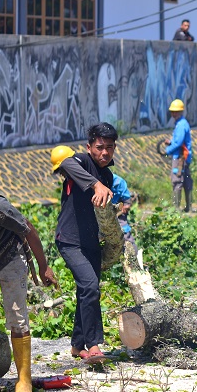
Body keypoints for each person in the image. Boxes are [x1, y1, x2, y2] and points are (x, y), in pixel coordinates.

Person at [54, 123, 118, 363]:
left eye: (110, 148)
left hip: (92, 243)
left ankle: (77, 344)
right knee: (91, 286)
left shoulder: (108, 175)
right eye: (100, 147)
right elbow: (65, 163)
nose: (105, 153)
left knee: (86, 291)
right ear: (89, 147)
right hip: (70, 240)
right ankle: (93, 345)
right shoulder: (80, 161)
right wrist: (95, 184)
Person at [0, 194, 58, 392]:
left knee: (17, 316)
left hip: (10, 256)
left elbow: (29, 229)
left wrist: (43, 267)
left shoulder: (0, 207)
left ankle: (24, 379)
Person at [164, 99, 193, 212]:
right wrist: (170, 142)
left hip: (180, 157)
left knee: (177, 181)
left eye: (176, 111)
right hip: (184, 156)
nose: (173, 114)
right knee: (186, 180)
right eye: (172, 111)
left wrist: (168, 150)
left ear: (181, 111)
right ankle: (188, 207)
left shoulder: (181, 125)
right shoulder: (182, 123)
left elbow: (179, 142)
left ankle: (176, 209)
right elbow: (178, 141)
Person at [111, 173, 137, 250]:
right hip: (99, 211)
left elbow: (127, 200)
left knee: (125, 233)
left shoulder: (118, 181)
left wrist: (126, 206)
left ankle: (133, 255)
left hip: (118, 212)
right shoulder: (95, 179)